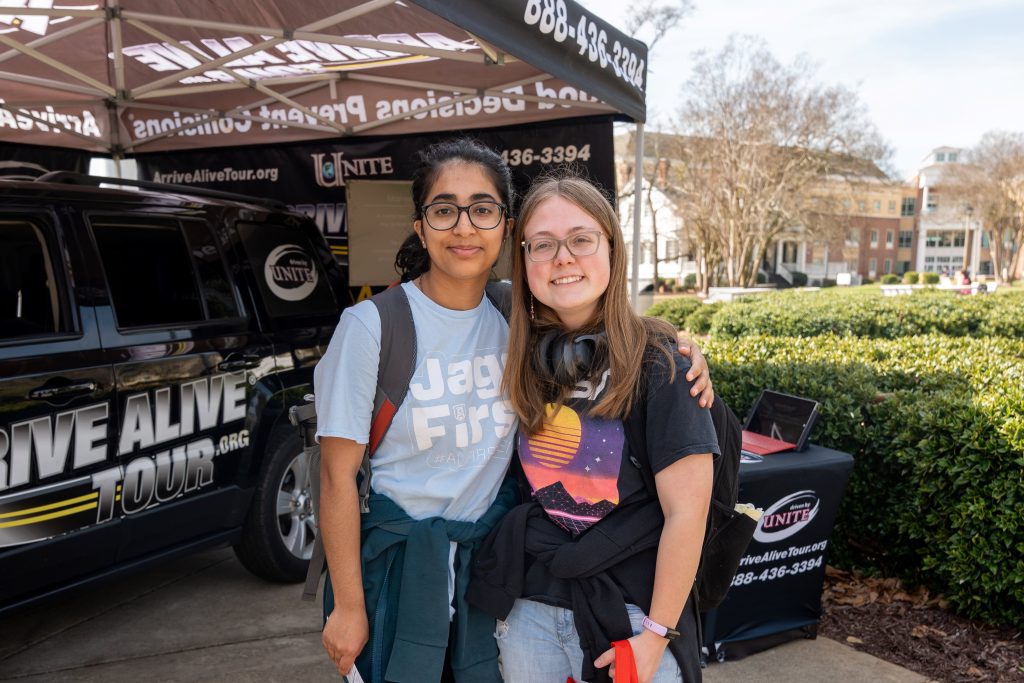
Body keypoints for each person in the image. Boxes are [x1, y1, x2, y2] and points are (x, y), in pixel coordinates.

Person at [313, 140, 714, 683]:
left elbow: (603, 324)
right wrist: (349, 607)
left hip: (488, 574)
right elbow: (335, 476)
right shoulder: (371, 328)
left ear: (503, 228)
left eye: (482, 209)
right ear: (420, 226)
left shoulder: (517, 320)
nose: (463, 227)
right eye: (443, 210)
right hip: (401, 572)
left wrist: (673, 344)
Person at [467, 174, 718, 683]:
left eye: (582, 239)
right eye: (543, 245)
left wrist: (655, 636)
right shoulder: (517, 350)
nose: (563, 258)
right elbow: (441, 283)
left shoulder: (664, 369)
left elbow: (687, 515)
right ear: (525, 262)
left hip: (630, 617)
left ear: (612, 248)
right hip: (530, 611)